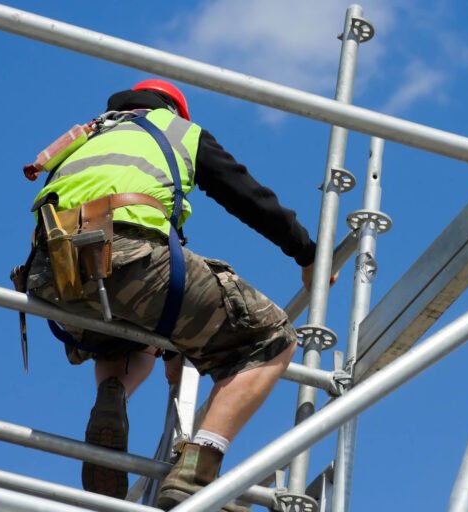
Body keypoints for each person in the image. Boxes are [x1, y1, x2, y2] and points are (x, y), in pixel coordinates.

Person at [23, 79, 321, 510]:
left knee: (134, 328)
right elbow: (247, 195)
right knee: (269, 337)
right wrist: (306, 252)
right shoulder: (177, 130)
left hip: (53, 278)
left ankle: (113, 394)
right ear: (177, 110)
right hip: (127, 255)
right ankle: (199, 469)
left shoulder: (84, 137)